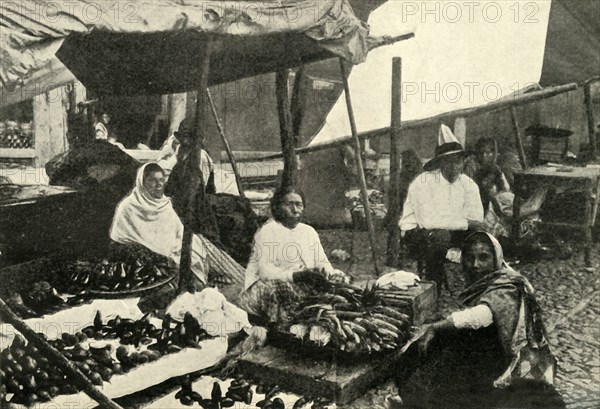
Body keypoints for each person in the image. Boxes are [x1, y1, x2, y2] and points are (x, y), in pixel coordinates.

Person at [396, 231, 565, 408]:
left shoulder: (507, 286)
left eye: (484, 258)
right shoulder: (486, 284)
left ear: (496, 259)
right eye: (470, 258)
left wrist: (435, 327)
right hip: (486, 352)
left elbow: (481, 316)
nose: (475, 265)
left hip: (507, 360)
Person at [238, 186, 348, 325]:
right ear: (277, 207)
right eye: (289, 205)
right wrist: (296, 276)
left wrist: (329, 274)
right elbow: (264, 273)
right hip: (265, 288)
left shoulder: (309, 231)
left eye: (299, 205)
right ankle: (282, 323)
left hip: (300, 285)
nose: (295, 210)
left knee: (341, 282)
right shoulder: (268, 231)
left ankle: (309, 315)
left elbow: (322, 262)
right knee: (277, 288)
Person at [400, 125, 485, 293]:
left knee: (481, 239)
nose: (454, 166)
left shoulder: (468, 185)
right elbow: (428, 221)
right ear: (439, 163)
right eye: (449, 162)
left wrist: (464, 224)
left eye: (458, 161)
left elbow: (477, 219)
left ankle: (476, 288)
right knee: (437, 238)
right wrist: (463, 223)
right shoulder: (423, 182)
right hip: (417, 231)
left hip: (452, 231)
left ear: (463, 162)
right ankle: (433, 289)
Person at [109, 162, 208, 287]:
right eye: (153, 180)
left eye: (162, 180)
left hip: (168, 251)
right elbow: (121, 239)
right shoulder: (128, 206)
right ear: (142, 182)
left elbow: (178, 232)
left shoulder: (165, 204)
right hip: (140, 256)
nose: (159, 184)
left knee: (195, 255)